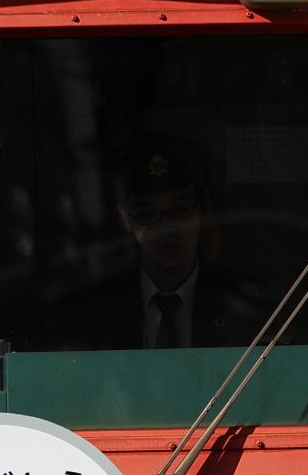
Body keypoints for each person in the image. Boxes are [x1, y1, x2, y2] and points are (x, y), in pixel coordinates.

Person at [46, 138, 267, 353]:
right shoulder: (93, 313)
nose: (167, 227)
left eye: (180, 209)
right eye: (147, 213)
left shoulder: (244, 307)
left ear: (202, 211)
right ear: (126, 218)